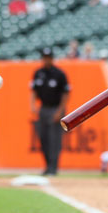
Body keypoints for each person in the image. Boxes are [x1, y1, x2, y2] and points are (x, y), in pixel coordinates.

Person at [31, 47, 71, 176]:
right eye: (44, 58)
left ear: (52, 59)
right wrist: (33, 106)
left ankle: (53, 168)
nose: (46, 60)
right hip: (43, 108)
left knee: (55, 139)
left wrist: (60, 111)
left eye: (48, 58)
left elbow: (65, 94)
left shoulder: (59, 74)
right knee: (43, 139)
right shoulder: (38, 73)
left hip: (56, 108)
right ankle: (48, 166)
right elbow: (34, 91)